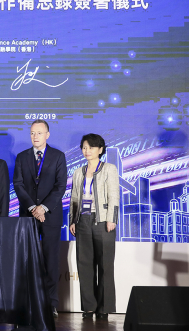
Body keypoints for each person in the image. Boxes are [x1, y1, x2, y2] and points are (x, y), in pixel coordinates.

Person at [13, 119, 67, 318]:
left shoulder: (58, 156)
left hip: (50, 216)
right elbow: (18, 185)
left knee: (51, 260)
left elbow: (60, 186)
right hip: (28, 215)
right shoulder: (22, 157)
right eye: (32, 133)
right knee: (27, 259)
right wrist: (32, 207)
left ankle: (51, 302)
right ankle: (28, 301)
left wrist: (43, 208)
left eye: (39, 133)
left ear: (48, 135)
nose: (35, 136)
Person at [69, 133, 119, 320]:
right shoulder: (77, 172)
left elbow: (114, 195)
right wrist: (72, 221)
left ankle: (104, 307)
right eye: (84, 147)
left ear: (100, 149)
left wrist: (111, 218)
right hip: (82, 221)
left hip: (103, 221)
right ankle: (89, 307)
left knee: (105, 264)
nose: (86, 151)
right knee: (84, 265)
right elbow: (74, 199)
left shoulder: (109, 169)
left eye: (90, 147)